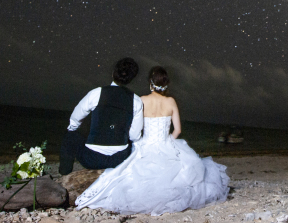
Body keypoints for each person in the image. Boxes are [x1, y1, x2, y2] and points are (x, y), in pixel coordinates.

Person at [75, 66, 230, 215]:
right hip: (166, 144)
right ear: (165, 84)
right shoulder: (171, 102)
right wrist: (168, 141)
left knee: (126, 174)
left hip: (145, 144)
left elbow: (136, 128)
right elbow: (178, 130)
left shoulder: (142, 100)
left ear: (151, 83)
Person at [59, 58, 143, 175]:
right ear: (131, 79)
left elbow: (75, 119)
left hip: (92, 159)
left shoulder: (96, 93)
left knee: (70, 133)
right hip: (119, 160)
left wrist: (73, 130)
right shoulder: (136, 101)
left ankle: (64, 173)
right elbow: (135, 136)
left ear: (113, 72)